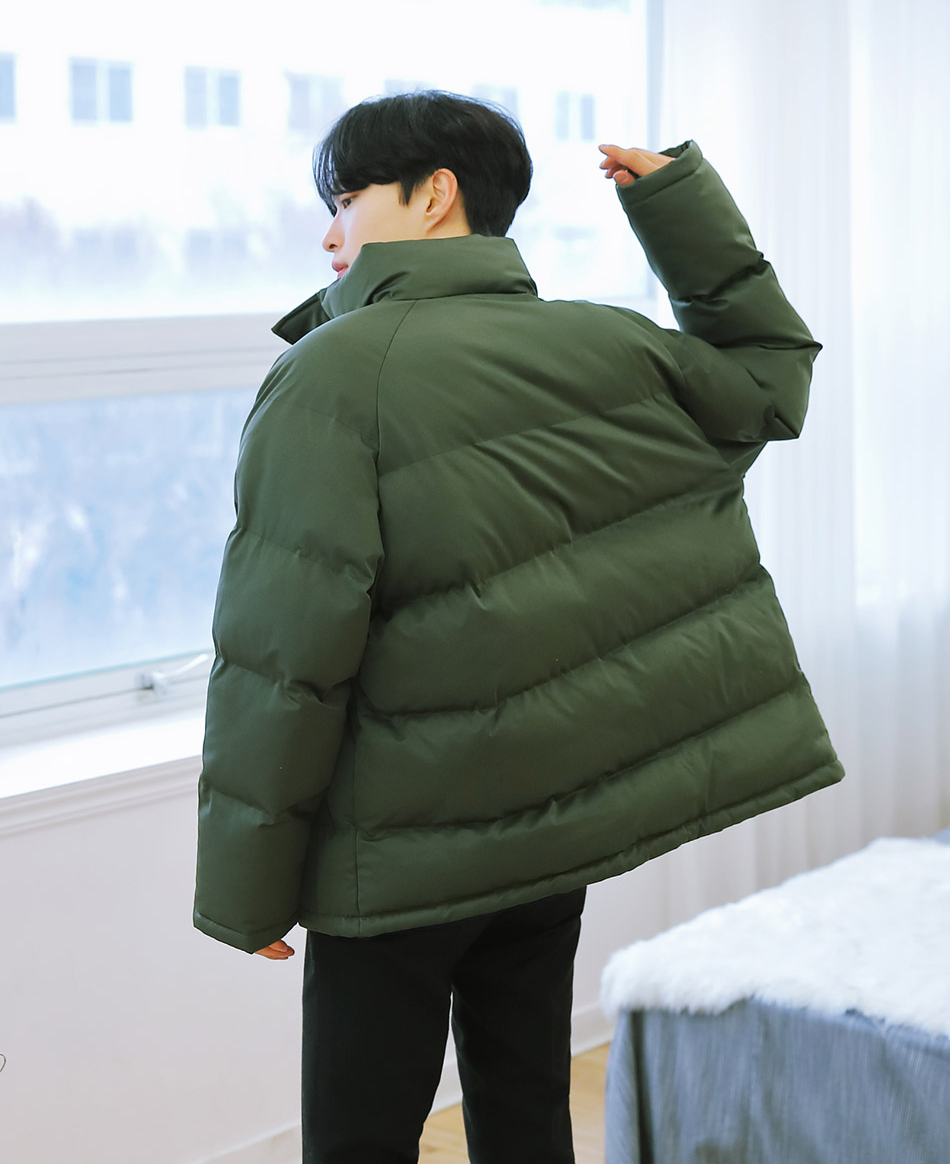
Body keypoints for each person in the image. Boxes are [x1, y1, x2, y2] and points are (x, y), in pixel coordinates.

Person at [194, 90, 843, 1163]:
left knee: (358, 1136)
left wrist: (244, 887)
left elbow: (285, 658)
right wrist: (682, 211)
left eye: (343, 199)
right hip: (550, 822)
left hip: (398, 852)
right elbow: (769, 383)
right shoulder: (605, 343)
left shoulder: (333, 375)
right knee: (526, 1105)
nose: (328, 233)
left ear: (433, 194)